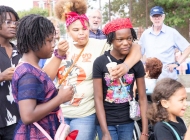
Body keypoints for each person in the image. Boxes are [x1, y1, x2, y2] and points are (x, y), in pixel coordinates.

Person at [43, 0, 142, 139]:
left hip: (85, 114)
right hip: (59, 113)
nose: (82, 33)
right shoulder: (61, 47)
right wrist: (58, 54)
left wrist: (125, 66)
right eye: (76, 30)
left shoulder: (99, 45)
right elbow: (45, 78)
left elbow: (136, 48)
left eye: (84, 29)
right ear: (68, 30)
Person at [12, 14, 73, 139]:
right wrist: (59, 98)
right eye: (50, 40)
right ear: (34, 41)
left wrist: (55, 93)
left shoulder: (32, 67)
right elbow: (27, 116)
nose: (53, 45)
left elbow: (38, 96)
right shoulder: (28, 74)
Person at [93, 18, 148, 140]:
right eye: (120, 39)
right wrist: (105, 132)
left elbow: (143, 98)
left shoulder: (136, 63)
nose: (126, 43)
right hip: (106, 121)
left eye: (129, 38)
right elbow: (98, 98)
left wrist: (145, 131)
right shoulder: (100, 62)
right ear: (111, 40)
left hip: (127, 121)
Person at [138, 6, 190, 80]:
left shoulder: (172, 32)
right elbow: (138, 53)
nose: (157, 19)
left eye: (159, 16)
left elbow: (189, 48)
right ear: (151, 18)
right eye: (154, 16)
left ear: (163, 17)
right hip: (150, 79)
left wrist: (177, 63)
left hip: (168, 78)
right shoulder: (145, 34)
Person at [0, 5, 21, 140]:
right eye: (8, 22)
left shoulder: (19, 51)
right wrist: (1, 77)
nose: (13, 26)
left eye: (15, 23)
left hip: (15, 120)